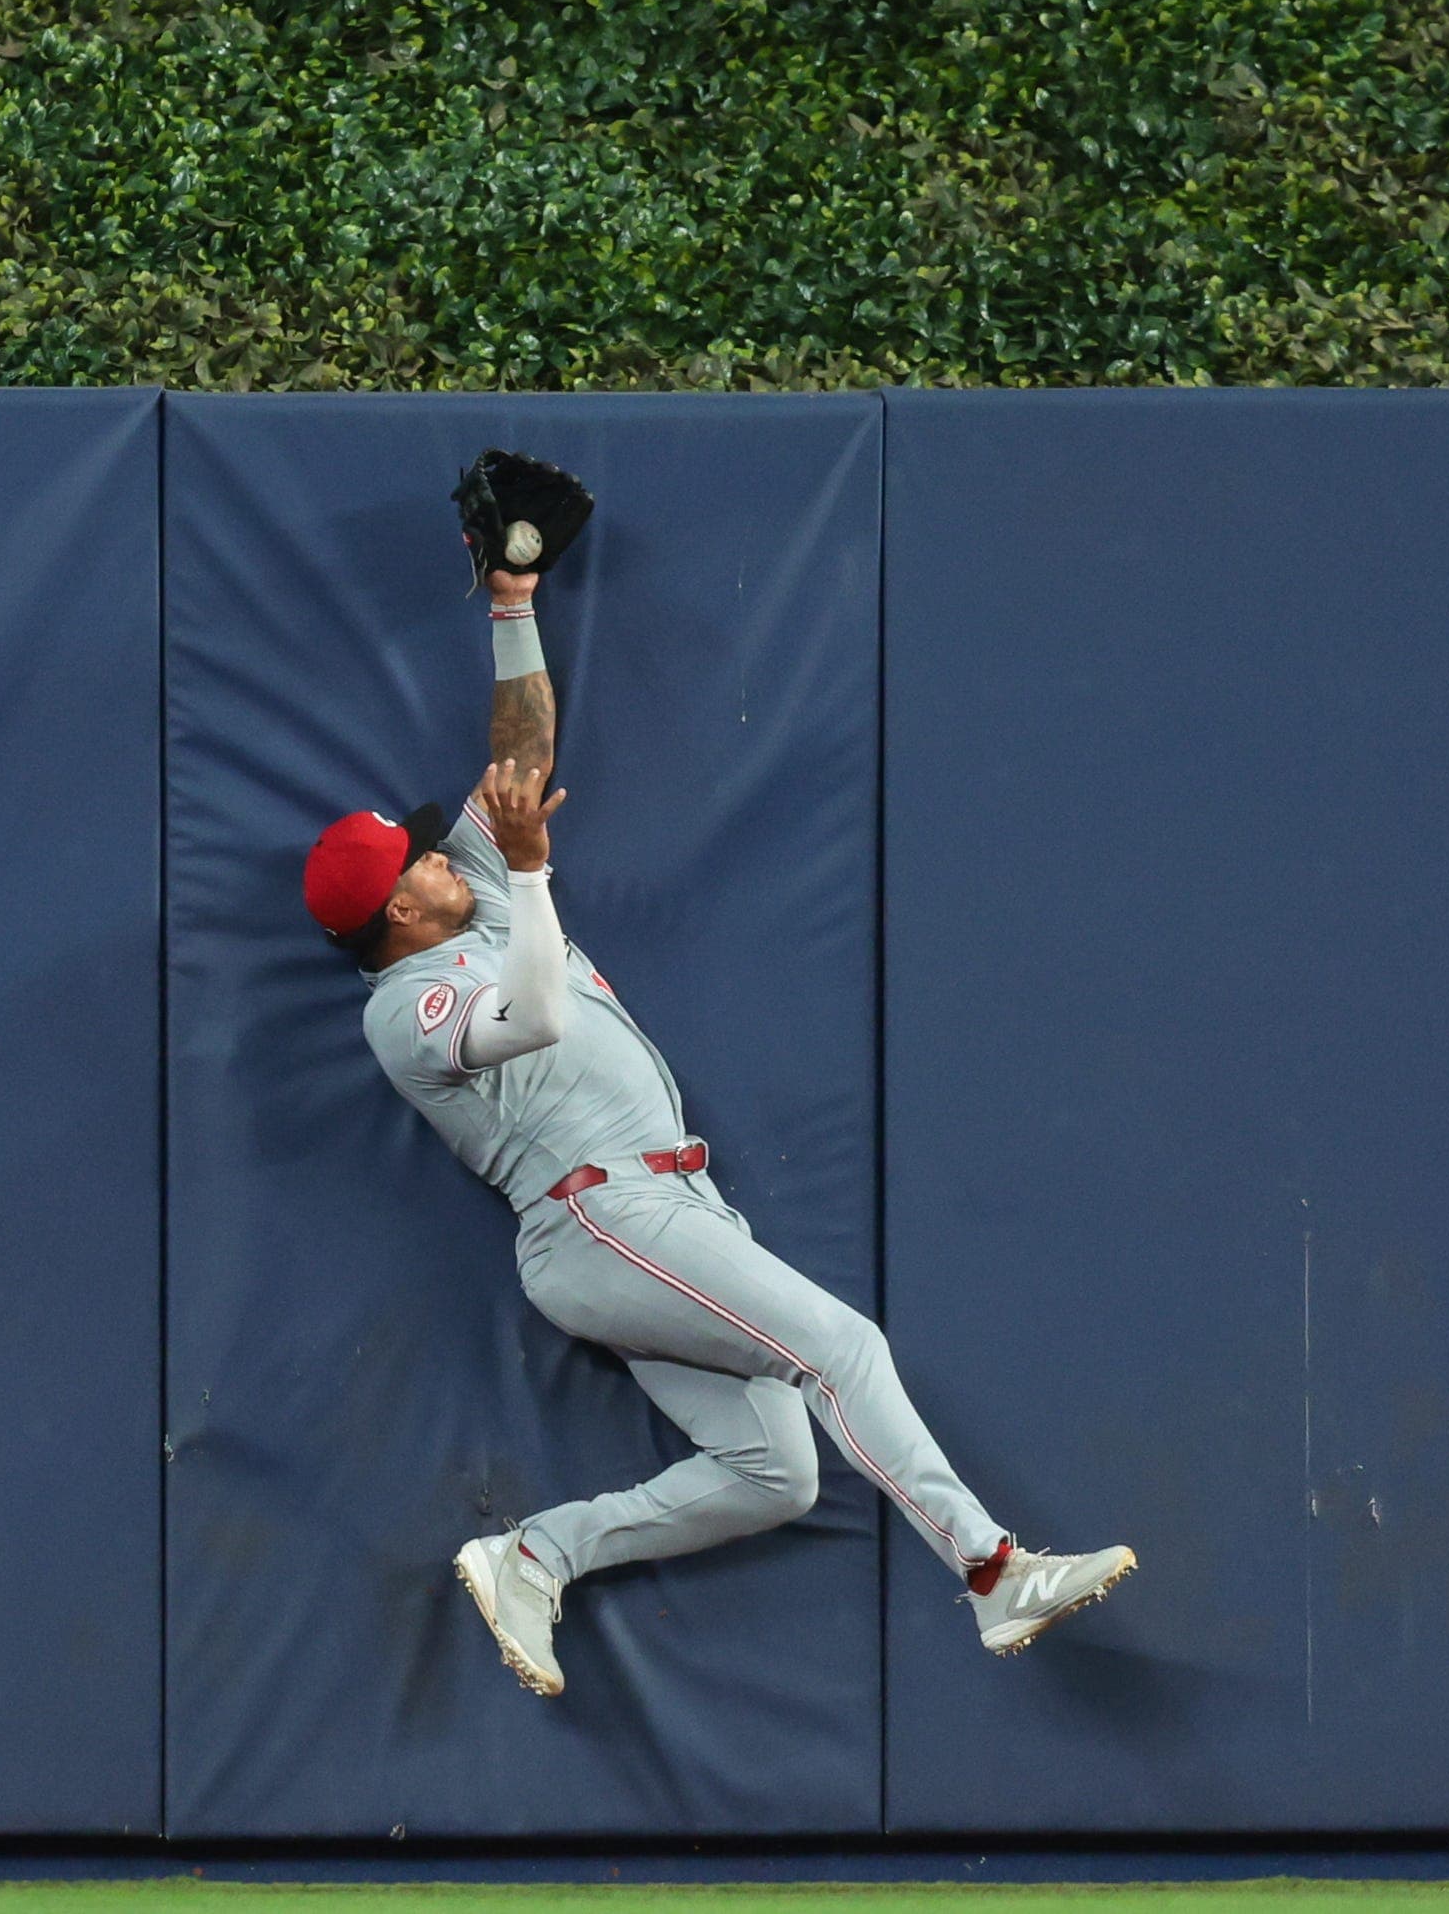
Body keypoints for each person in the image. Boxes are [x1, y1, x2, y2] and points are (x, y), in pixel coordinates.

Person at [299, 558, 1134, 1699]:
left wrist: (509, 603)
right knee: (844, 1348)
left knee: (775, 1473)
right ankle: (992, 1571)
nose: (448, 852)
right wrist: (535, 879)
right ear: (399, 906)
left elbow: (521, 762)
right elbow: (535, 1012)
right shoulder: (402, 1009)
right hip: (595, 1217)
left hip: (662, 1209)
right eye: (425, 860)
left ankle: (534, 1554)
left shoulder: (477, 894)